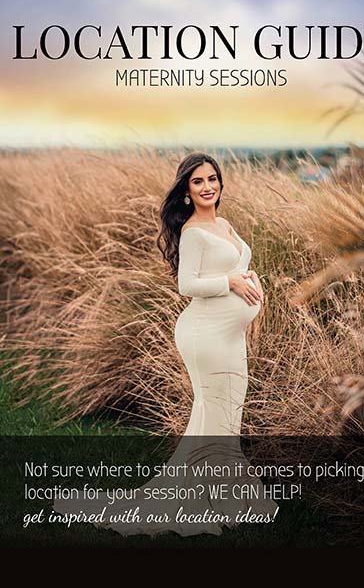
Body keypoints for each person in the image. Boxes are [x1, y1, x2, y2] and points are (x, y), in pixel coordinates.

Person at [53, 152, 277, 537]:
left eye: (212, 179)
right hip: (205, 335)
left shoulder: (223, 223)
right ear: (186, 191)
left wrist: (247, 275)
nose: (208, 187)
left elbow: (231, 267)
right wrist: (231, 283)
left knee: (227, 414)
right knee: (215, 412)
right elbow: (186, 285)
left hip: (230, 335)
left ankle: (223, 494)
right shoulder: (192, 232)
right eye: (198, 182)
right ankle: (206, 500)